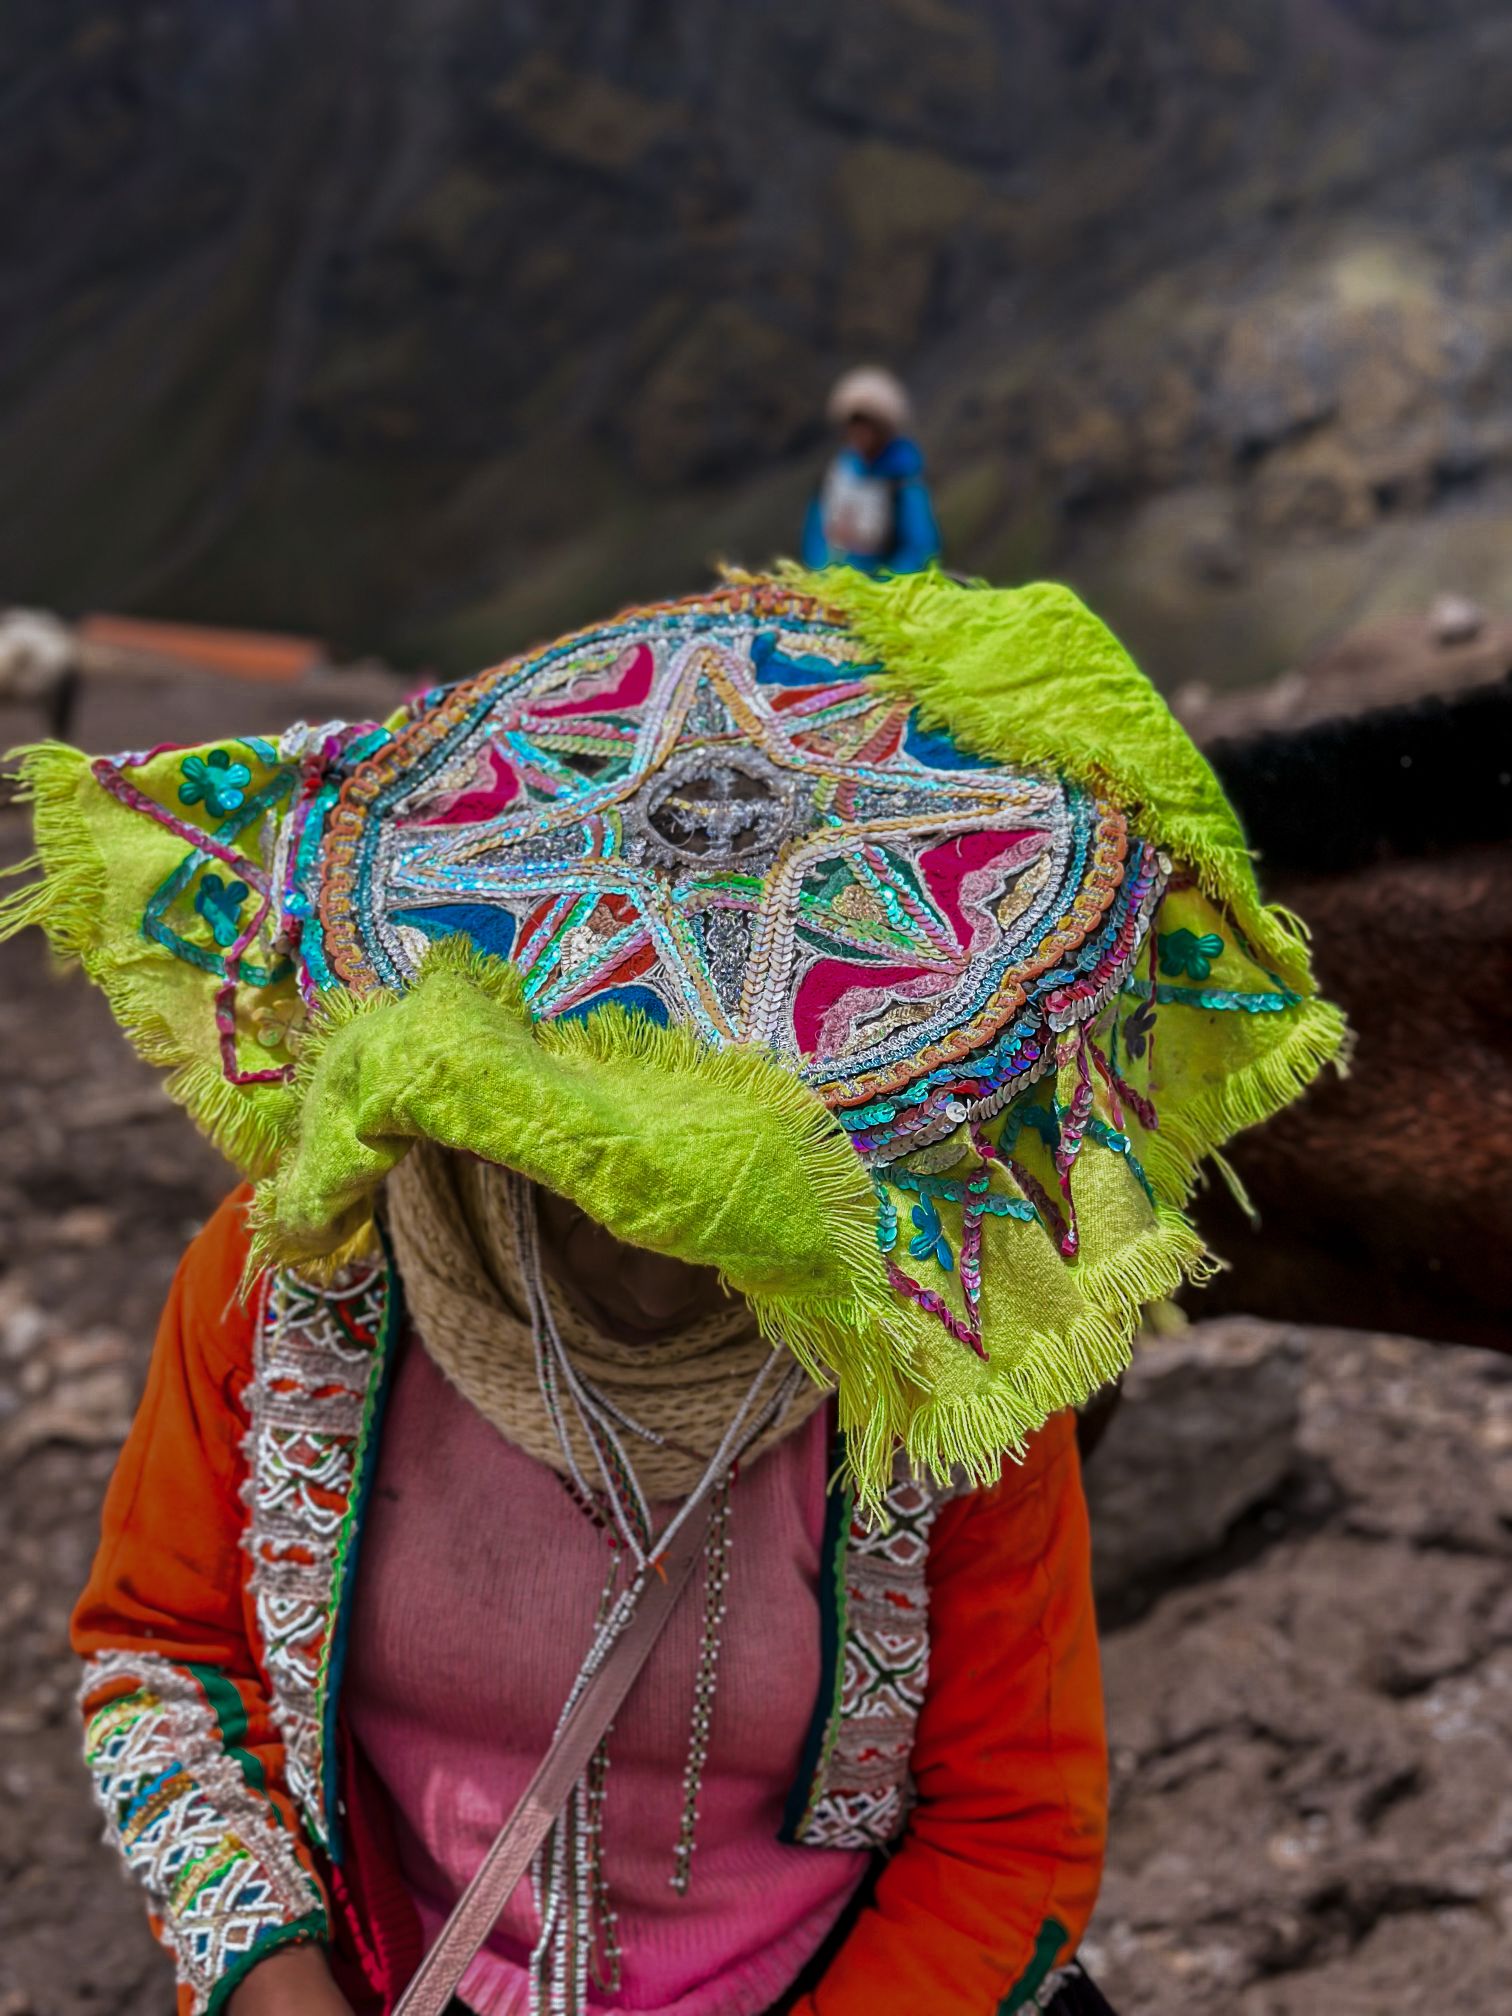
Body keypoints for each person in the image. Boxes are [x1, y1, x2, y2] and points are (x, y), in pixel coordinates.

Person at [2, 568, 1344, 2016]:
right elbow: (167, 1661)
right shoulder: (294, 1280)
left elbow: (1008, 1830)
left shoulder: (934, 1340)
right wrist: (280, 1990)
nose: (661, 1232)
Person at [801, 368, 941, 576]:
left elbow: (920, 549)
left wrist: (879, 587)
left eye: (868, 426)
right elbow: (816, 536)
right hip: (832, 592)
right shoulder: (837, 474)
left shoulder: (902, 481)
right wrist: (824, 576)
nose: (859, 434)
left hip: (881, 595)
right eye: (854, 425)